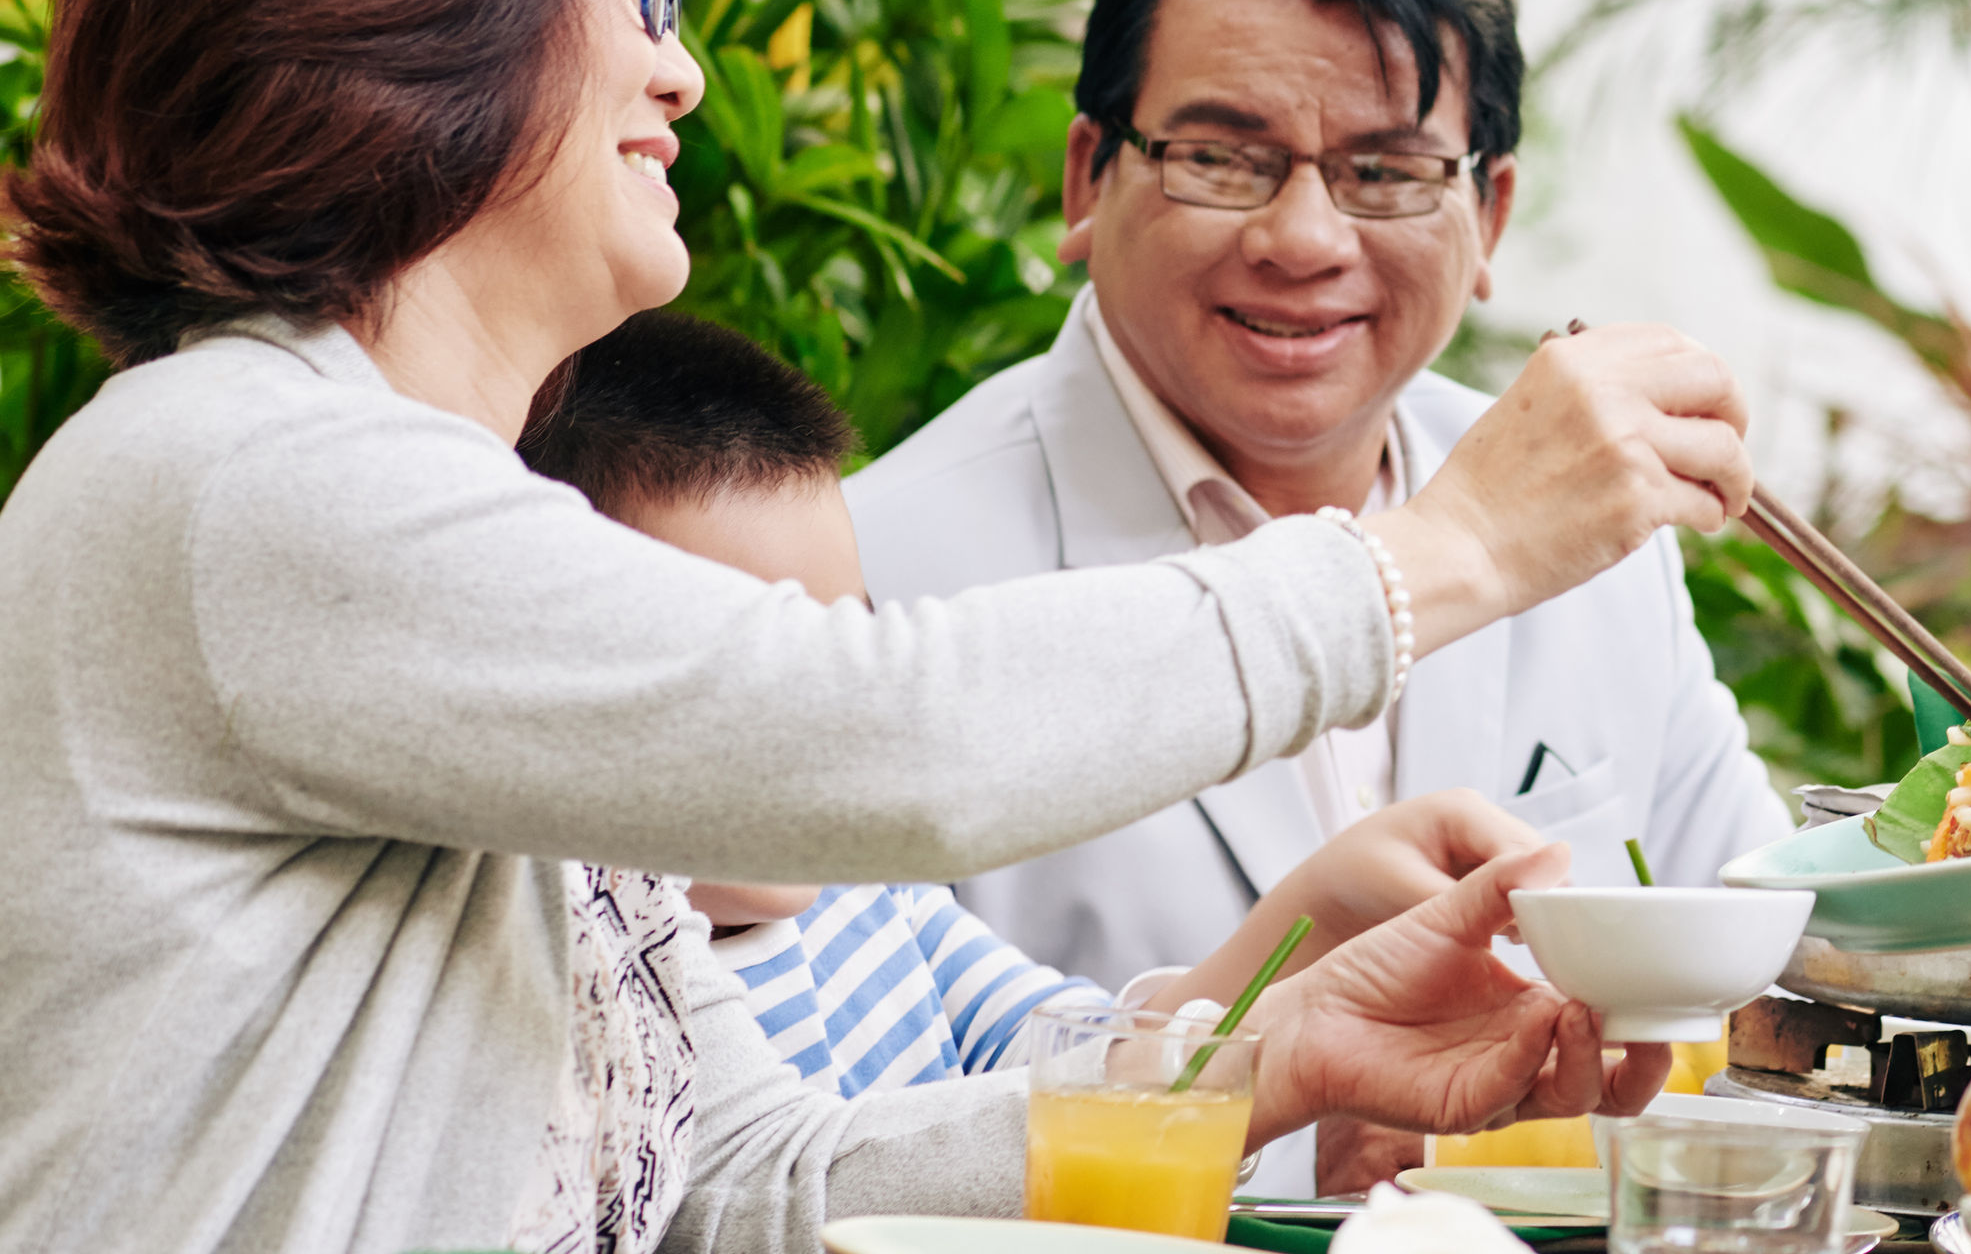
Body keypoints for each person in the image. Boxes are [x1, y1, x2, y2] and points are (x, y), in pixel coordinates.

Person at [0, 0, 1723, 1253]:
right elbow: (896, 739)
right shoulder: (236, 475)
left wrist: (1251, 1064)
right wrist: (1457, 548)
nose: (681, 65)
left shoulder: (438, 534)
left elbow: (754, 1173)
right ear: (410, 2)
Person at [848, 0, 1793, 1192]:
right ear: (1085, 179)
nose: (1303, 238)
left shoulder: (1586, 516)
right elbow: (824, 1142)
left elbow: (1756, 937)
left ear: (1490, 217)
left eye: (1388, 172)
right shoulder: (880, 577)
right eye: (1224, 159)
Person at [519, 308, 1559, 1101]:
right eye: (742, 675)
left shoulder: (877, 898)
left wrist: (1314, 909)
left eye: (837, 657)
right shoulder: (581, 968)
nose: (812, 725)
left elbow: (1070, 1058)